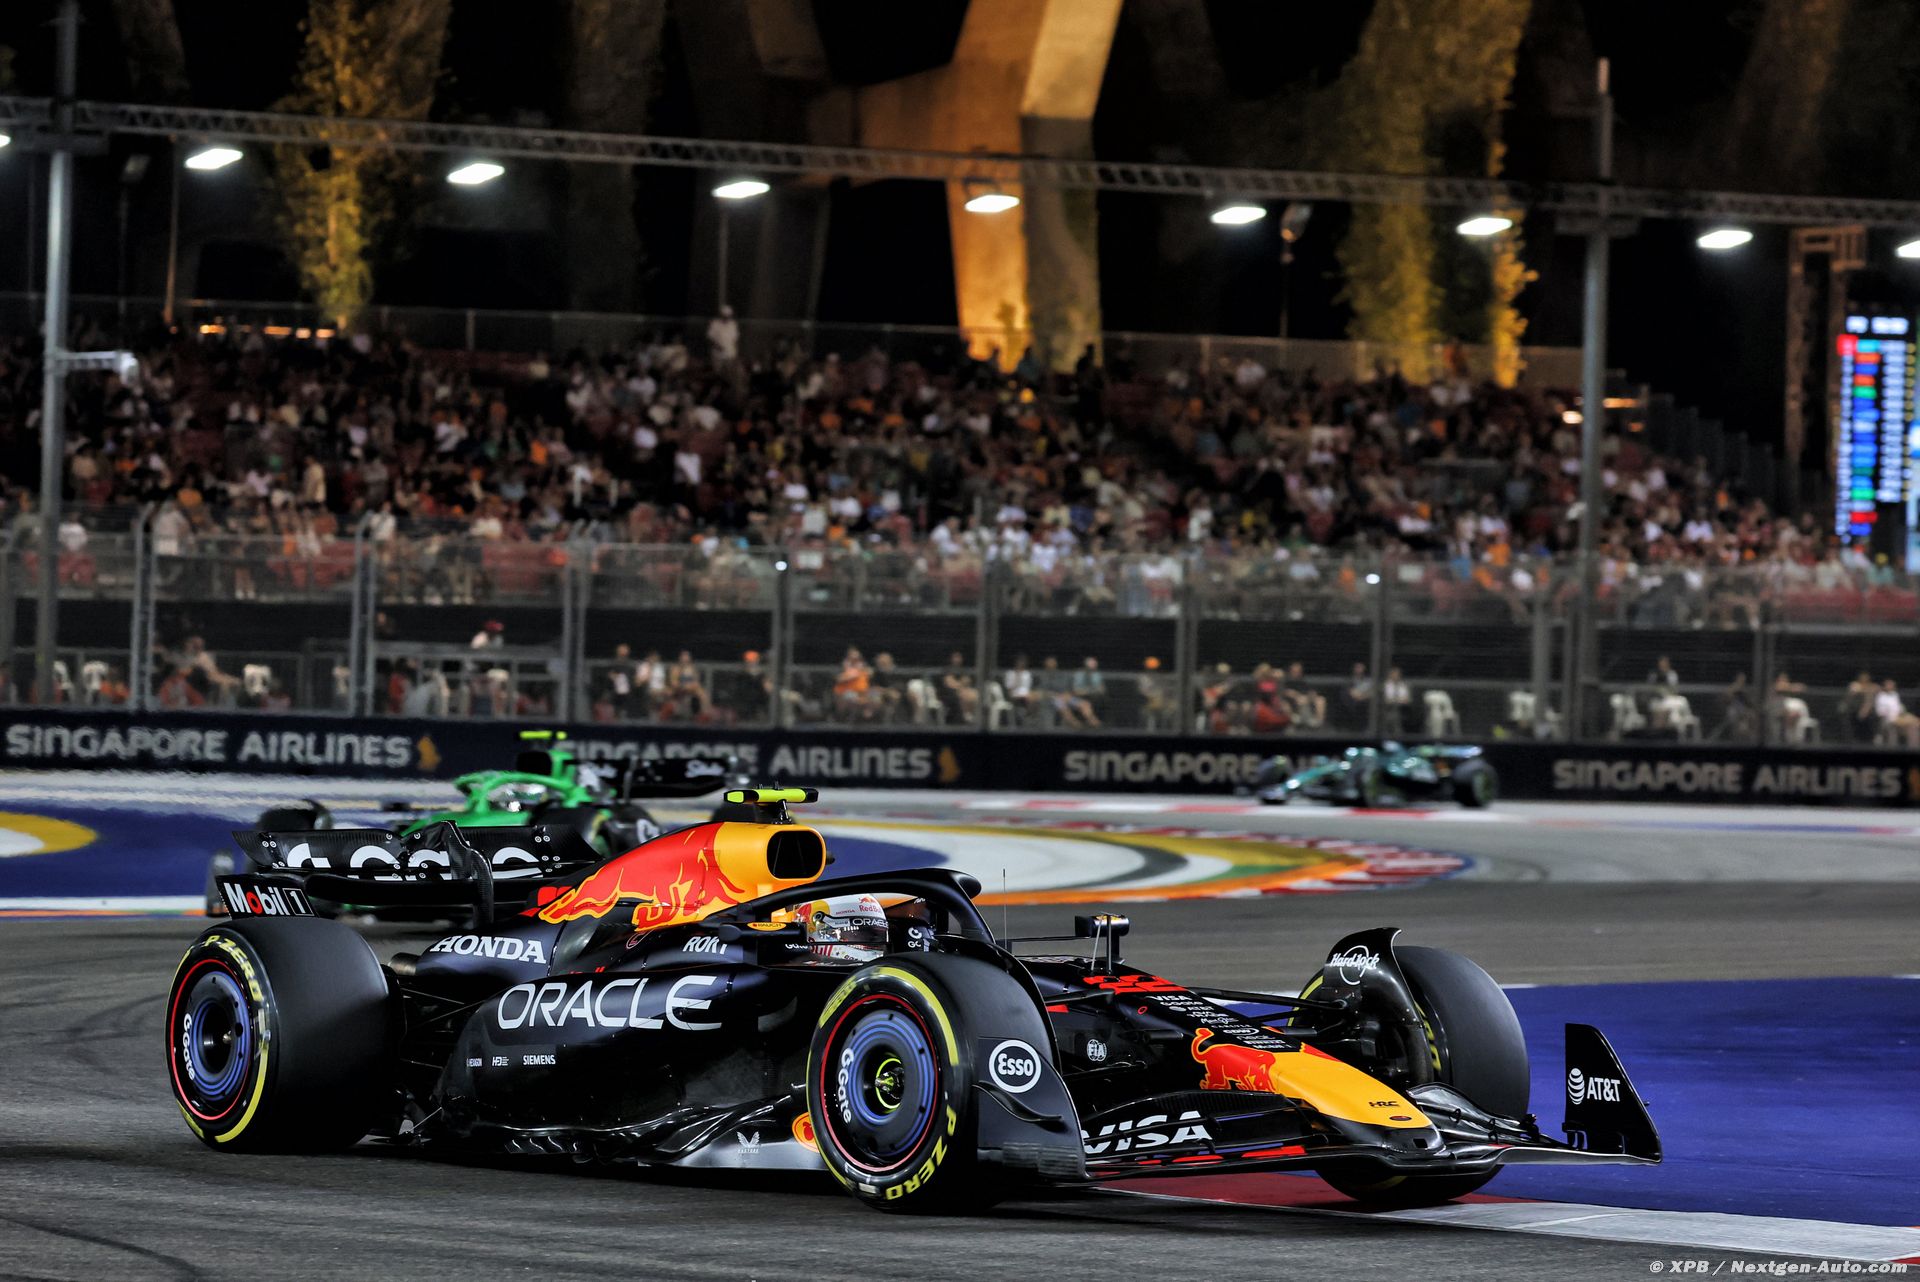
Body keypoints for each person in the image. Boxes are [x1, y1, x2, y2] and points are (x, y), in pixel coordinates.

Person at [1874, 679, 1920, 747]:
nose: (1891, 686)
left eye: (1892, 685)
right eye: (1889, 685)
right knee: (1912, 723)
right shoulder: (1881, 696)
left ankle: (1914, 747)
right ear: (1884, 686)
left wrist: (1902, 711)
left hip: (1900, 716)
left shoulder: (1895, 694)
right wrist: (1890, 714)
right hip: (1889, 718)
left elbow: (1899, 706)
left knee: (1914, 725)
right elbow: (1879, 711)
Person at [939, 651, 979, 726]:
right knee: (963, 694)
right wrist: (961, 685)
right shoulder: (947, 669)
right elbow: (950, 683)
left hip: (962, 691)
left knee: (974, 694)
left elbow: (967, 681)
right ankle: (964, 718)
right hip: (948, 694)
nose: (957, 659)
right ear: (951, 659)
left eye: (959, 657)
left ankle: (971, 716)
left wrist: (960, 685)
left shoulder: (963, 670)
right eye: (956, 657)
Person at [1001, 654, 1035, 722]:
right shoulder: (1010, 673)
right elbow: (1009, 688)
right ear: (1016, 663)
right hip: (1013, 693)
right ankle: (1025, 716)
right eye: (1019, 662)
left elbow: (1028, 687)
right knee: (1027, 698)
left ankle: (1029, 716)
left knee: (1034, 698)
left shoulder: (1027, 674)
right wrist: (1017, 676)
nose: (1020, 664)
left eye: (1022, 662)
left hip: (1025, 694)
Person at [1381, 667, 1411, 734]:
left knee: (1396, 714)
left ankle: (1397, 733)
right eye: (1394, 674)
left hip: (1402, 708)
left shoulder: (1403, 685)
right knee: (1393, 714)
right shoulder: (1386, 685)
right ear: (1390, 675)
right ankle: (1392, 732)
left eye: (1397, 674)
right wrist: (1398, 700)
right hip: (1388, 708)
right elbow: (1386, 700)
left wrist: (1394, 700)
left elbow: (1407, 700)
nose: (1396, 676)